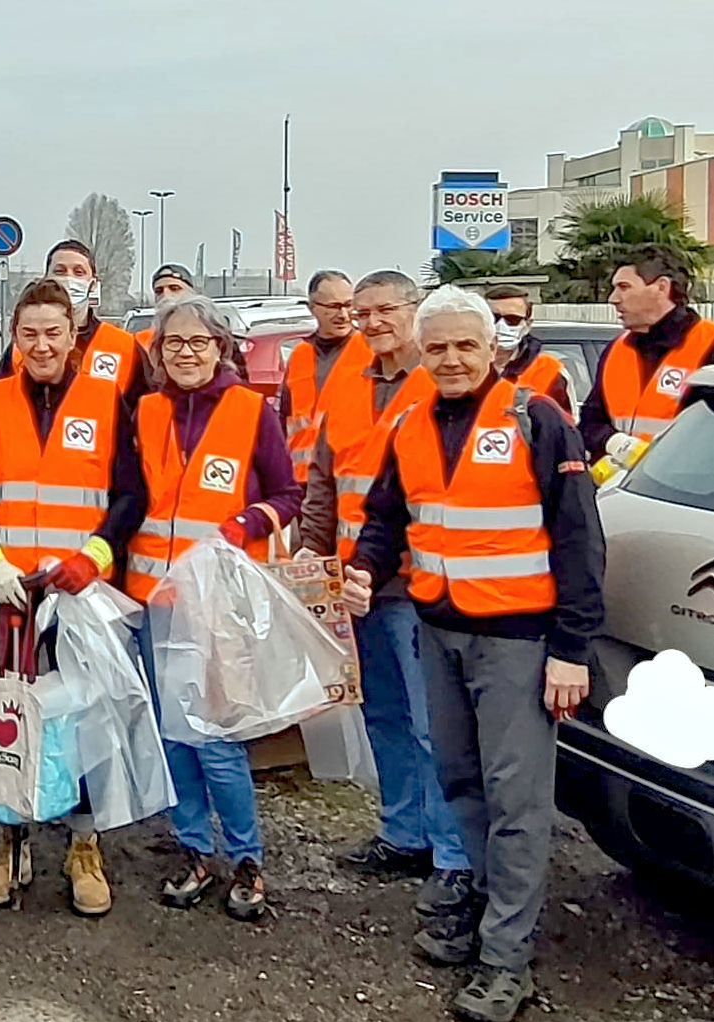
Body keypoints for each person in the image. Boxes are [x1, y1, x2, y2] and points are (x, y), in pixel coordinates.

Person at [345, 285, 604, 1022]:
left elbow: (580, 540)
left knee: (517, 803)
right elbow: (387, 517)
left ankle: (506, 961)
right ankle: (485, 916)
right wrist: (365, 565)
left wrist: (570, 651)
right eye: (438, 348)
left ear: (493, 348)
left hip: (520, 644)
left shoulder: (537, 419)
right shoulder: (412, 425)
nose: (452, 359)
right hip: (439, 631)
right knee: (462, 783)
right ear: (419, 355)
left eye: (466, 345)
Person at [0, 277, 145, 916]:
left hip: (79, 594)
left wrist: (97, 555)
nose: (40, 344)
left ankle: (84, 846)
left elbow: (129, 494)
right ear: (14, 336)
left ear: (73, 336)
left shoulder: (105, 400)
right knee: (11, 718)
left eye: (52, 332)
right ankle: (12, 841)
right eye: (28, 333)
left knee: (82, 721)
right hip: (11, 595)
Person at [125, 294, 302, 922]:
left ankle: (246, 856)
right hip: (151, 598)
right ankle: (196, 849)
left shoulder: (252, 411)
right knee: (172, 734)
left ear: (222, 348)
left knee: (217, 737)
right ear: (159, 353)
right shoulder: (143, 411)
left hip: (216, 603)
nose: (187, 354)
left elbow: (288, 494)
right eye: (174, 344)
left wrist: (248, 521)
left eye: (199, 342)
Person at [296, 270, 471, 906]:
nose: (372, 322)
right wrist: (310, 562)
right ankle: (404, 833)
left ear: (414, 310)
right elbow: (323, 481)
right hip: (355, 582)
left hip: (418, 584)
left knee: (435, 727)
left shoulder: (441, 382)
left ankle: (453, 855)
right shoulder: (349, 384)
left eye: (384, 310)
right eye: (362, 313)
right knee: (384, 715)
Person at [579, 243, 714, 465]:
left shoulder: (708, 344)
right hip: (622, 488)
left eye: (624, 287)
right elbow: (590, 420)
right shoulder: (617, 350)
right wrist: (614, 444)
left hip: (683, 492)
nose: (613, 298)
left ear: (662, 287)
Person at [0, 240, 149, 404]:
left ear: (93, 285)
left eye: (79, 272)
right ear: (47, 279)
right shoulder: (20, 348)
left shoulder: (124, 347)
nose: (69, 279)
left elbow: (142, 414)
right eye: (60, 271)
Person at [280, 269, 366, 484]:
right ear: (312, 308)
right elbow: (284, 419)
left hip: (351, 478)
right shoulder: (300, 355)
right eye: (333, 307)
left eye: (348, 305)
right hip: (302, 481)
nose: (343, 315)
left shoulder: (370, 351)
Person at [483, 285, 571, 413]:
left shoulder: (550, 371)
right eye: (493, 318)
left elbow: (567, 426)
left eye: (512, 319)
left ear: (528, 325)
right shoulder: (463, 365)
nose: (500, 325)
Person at [135, 264, 197, 353]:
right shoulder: (143, 342)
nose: (165, 296)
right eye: (159, 291)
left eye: (175, 288)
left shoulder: (209, 336)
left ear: (191, 294)